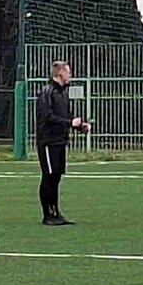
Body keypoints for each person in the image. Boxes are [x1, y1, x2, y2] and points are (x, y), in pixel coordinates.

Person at [36, 60, 88, 226]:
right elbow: (47, 116)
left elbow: (65, 117)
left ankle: (56, 212)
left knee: (56, 177)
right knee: (49, 176)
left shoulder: (63, 93)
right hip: (48, 141)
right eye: (68, 72)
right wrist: (69, 123)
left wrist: (79, 125)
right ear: (59, 73)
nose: (70, 75)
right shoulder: (47, 92)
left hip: (60, 141)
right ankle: (48, 215)